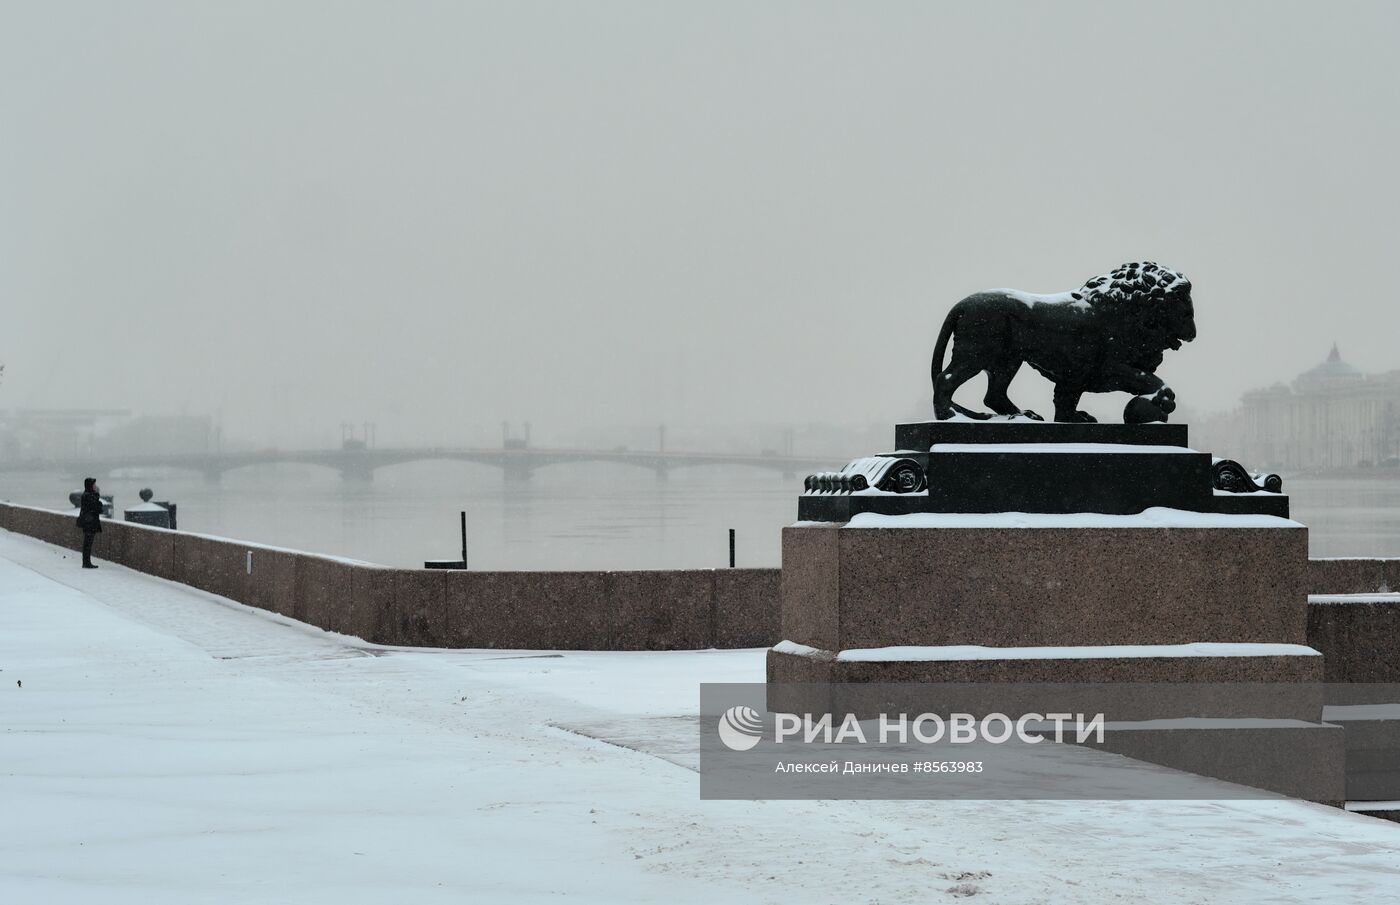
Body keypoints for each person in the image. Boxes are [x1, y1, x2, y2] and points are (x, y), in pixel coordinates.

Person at [76, 477, 103, 569]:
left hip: (89, 522)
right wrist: (99, 504)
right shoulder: (89, 495)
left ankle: (86, 562)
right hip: (89, 522)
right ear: (90, 486)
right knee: (88, 543)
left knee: (88, 543)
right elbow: (97, 508)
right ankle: (86, 563)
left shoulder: (88, 495)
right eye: (94, 484)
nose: (95, 486)